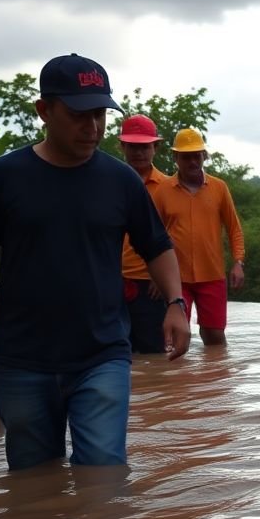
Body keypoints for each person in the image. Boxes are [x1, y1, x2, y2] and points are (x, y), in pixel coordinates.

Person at [0, 54, 190, 470]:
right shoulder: (5, 177)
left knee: (104, 472)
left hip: (102, 354)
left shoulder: (120, 180)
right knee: (33, 480)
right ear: (44, 110)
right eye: (78, 114)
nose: (92, 127)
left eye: (99, 114)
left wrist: (175, 304)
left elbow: (157, 246)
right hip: (23, 359)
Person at [155, 127, 246, 346]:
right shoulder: (163, 190)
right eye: (186, 157)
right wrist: (154, 275)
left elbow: (234, 228)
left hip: (212, 274)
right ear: (176, 157)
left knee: (214, 337)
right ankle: (178, 381)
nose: (193, 162)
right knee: (176, 337)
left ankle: (216, 380)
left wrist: (238, 262)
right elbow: (153, 236)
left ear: (204, 156)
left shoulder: (219, 187)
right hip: (176, 279)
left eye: (197, 155)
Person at [117, 114, 171, 353]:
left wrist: (163, 279)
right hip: (112, 280)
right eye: (132, 146)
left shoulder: (168, 187)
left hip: (150, 284)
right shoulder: (110, 182)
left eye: (144, 147)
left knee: (153, 353)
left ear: (155, 147)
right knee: (114, 350)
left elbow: (175, 234)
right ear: (122, 146)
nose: (138, 153)